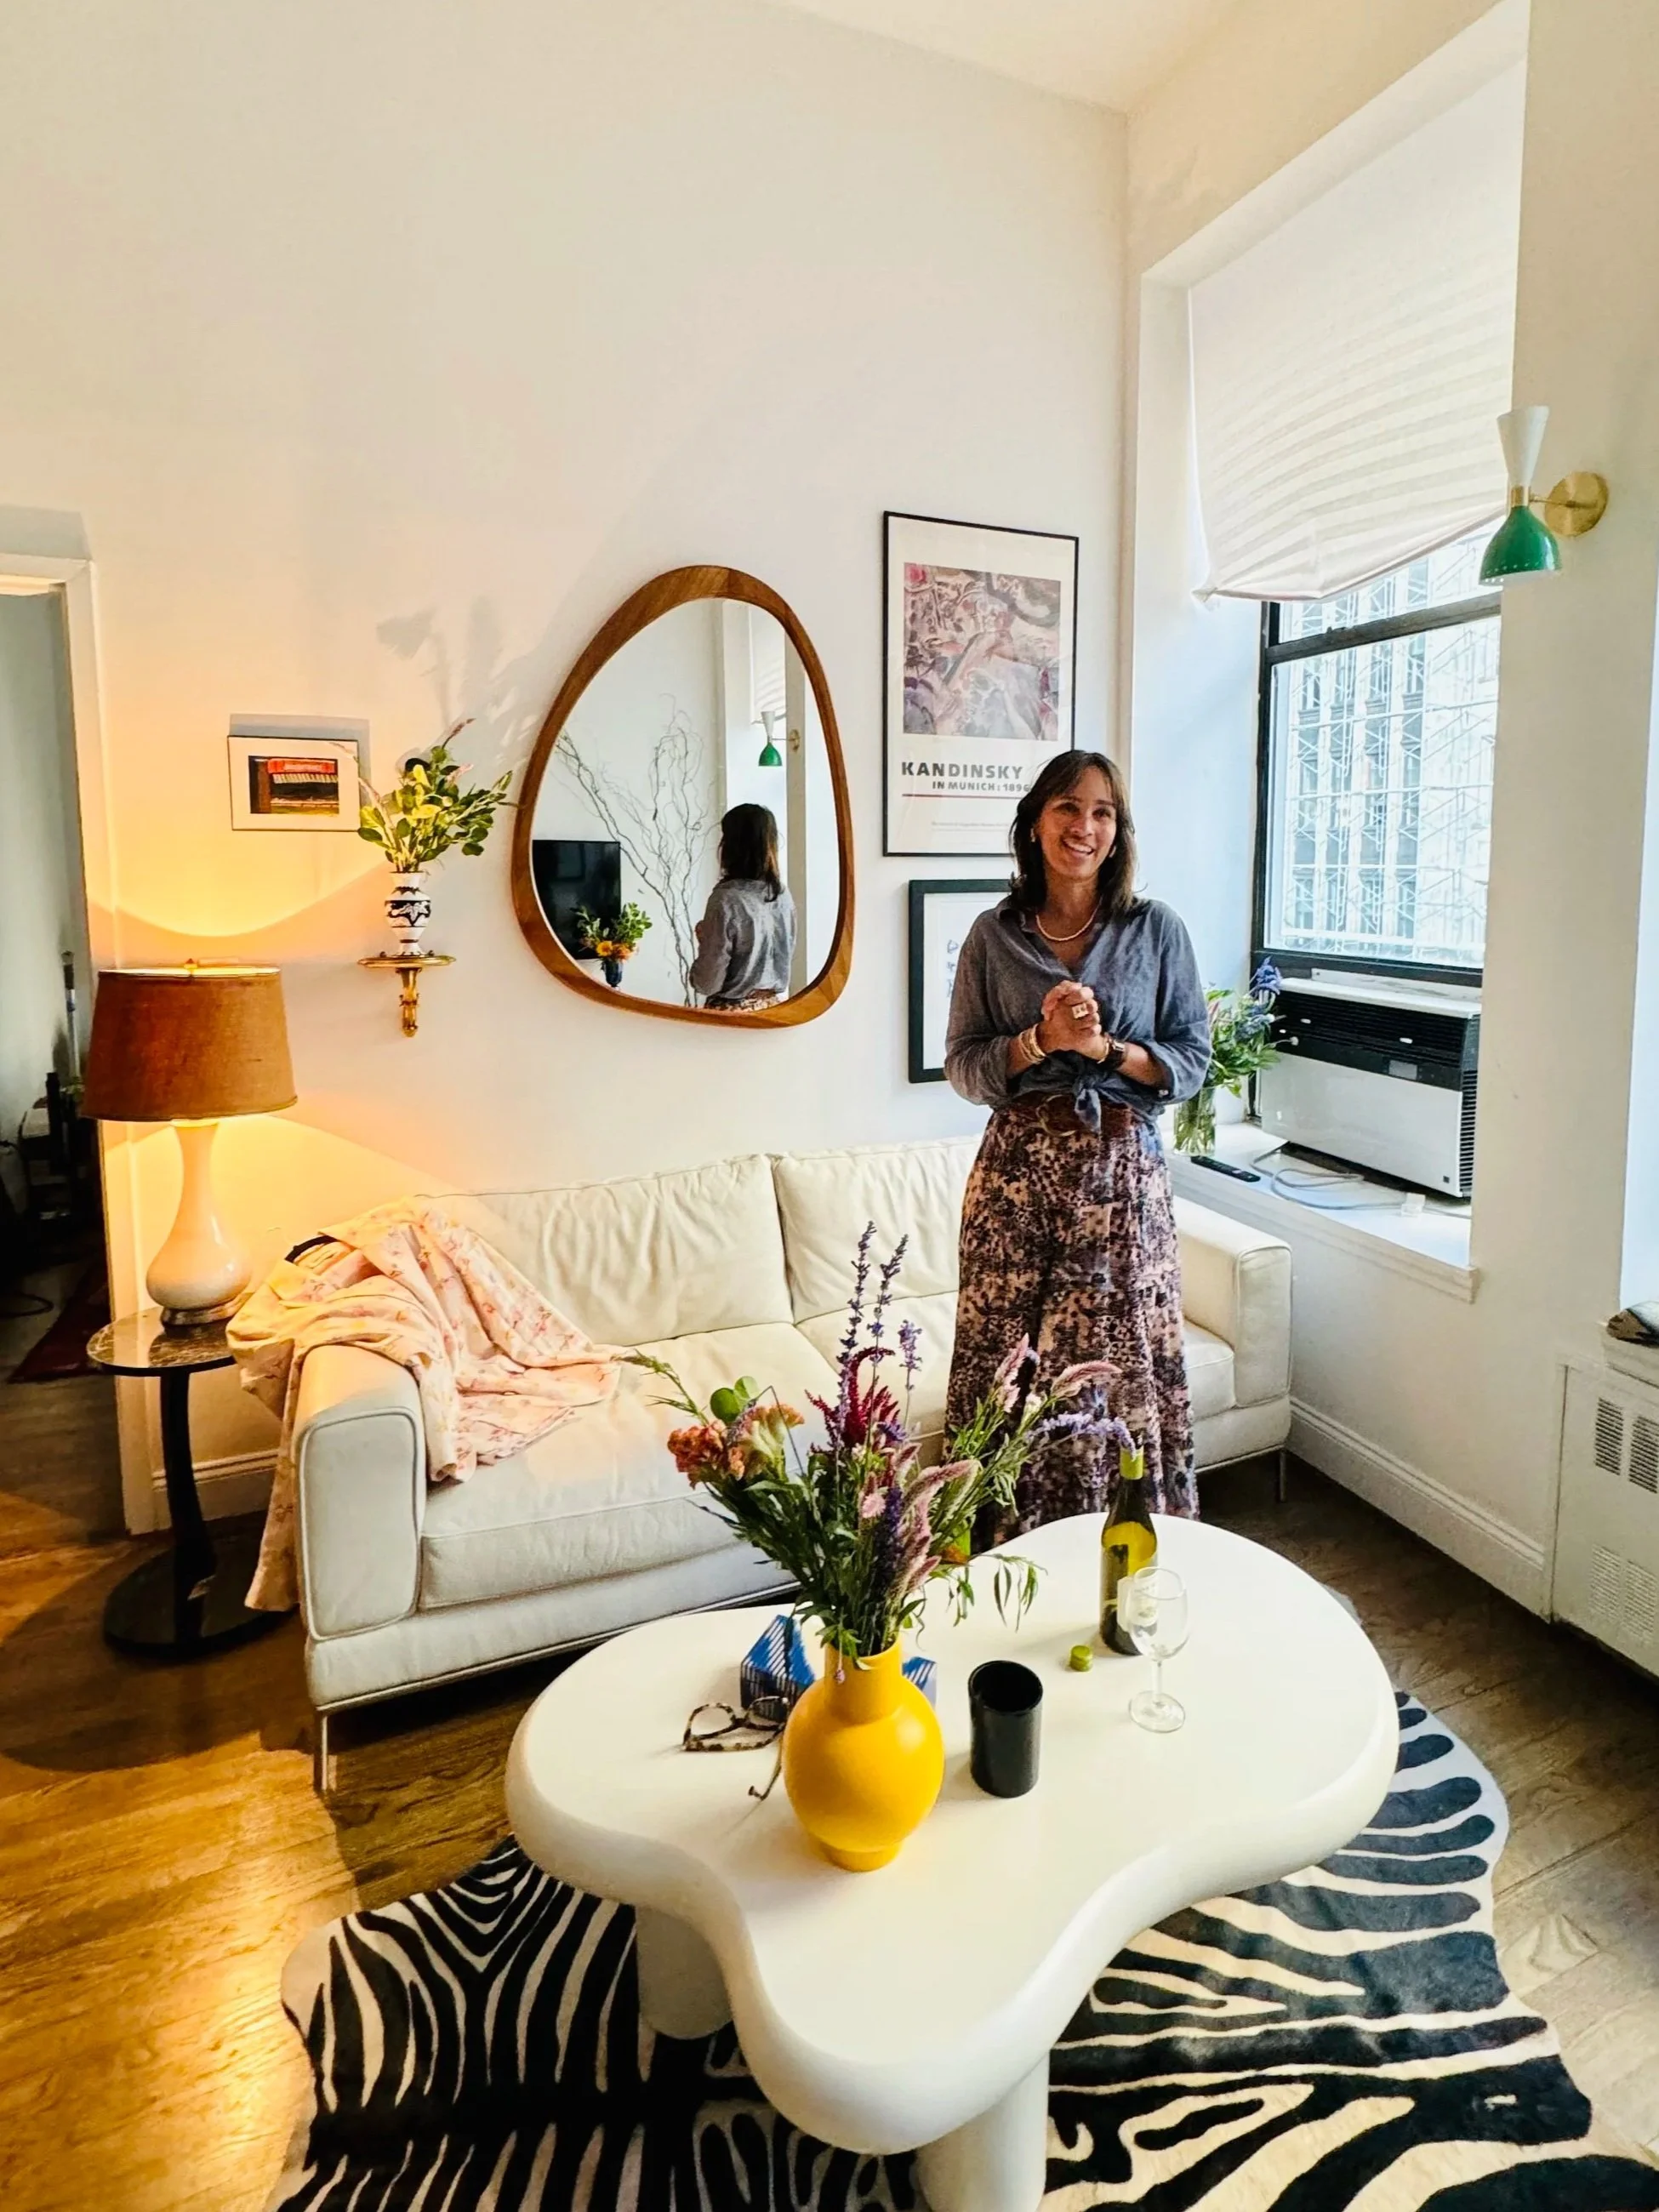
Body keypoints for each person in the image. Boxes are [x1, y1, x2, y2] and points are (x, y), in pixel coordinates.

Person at [944, 750, 1211, 1536]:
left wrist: (1101, 1051)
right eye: (1067, 807)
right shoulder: (993, 936)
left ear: (1118, 831)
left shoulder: (1156, 930)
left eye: (1101, 812)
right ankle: (991, 1550)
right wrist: (1038, 1040)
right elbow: (964, 1065)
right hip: (1017, 1178)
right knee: (1001, 1364)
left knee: (1108, 1373)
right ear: (1034, 822)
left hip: (1120, 1179)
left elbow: (1190, 1062)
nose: (1084, 827)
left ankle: (1107, 1547)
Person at [689, 804, 797, 1010]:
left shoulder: (725, 899)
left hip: (731, 1016)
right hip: (773, 1012)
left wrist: (705, 941)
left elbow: (707, 983)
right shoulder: (781, 895)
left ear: (730, 845)